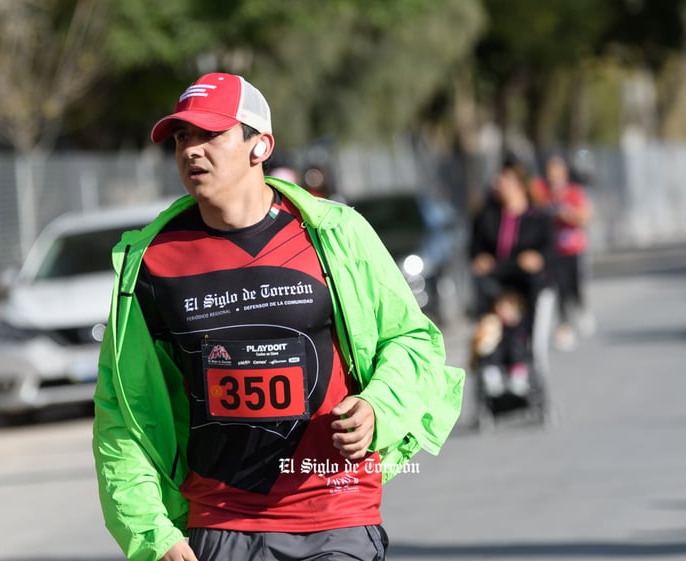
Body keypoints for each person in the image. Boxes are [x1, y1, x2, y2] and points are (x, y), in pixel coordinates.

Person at [92, 72, 465, 561]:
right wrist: (154, 538)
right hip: (219, 524)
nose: (191, 150)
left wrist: (378, 408)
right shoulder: (150, 264)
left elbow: (411, 340)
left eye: (211, 134)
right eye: (182, 137)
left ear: (259, 145)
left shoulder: (336, 235)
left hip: (336, 514)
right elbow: (122, 416)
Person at [469, 156, 555, 394]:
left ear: (518, 184)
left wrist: (537, 259)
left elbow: (548, 253)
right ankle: (491, 372)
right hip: (496, 293)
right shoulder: (487, 217)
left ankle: (521, 371)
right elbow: (476, 252)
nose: (497, 184)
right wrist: (481, 260)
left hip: (527, 292)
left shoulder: (537, 218)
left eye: (504, 179)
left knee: (521, 331)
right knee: (491, 330)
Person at [529, 154, 595, 350]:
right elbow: (531, 199)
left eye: (558, 171)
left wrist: (566, 213)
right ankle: (564, 327)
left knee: (574, 286)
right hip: (553, 251)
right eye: (550, 172)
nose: (554, 176)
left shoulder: (574, 192)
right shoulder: (542, 190)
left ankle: (581, 308)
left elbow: (585, 216)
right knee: (559, 287)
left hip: (573, 249)